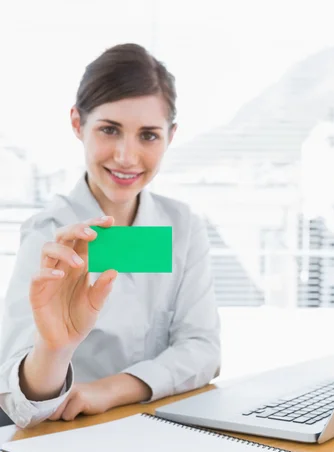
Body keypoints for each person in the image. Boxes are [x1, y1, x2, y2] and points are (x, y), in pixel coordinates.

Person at [0, 43, 221, 428]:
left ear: (170, 136)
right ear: (77, 124)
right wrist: (53, 350)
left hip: (157, 426)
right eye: (109, 130)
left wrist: (111, 389)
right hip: (69, 435)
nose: (126, 156)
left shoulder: (182, 226)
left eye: (148, 136)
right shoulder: (49, 234)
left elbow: (203, 350)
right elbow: (19, 404)